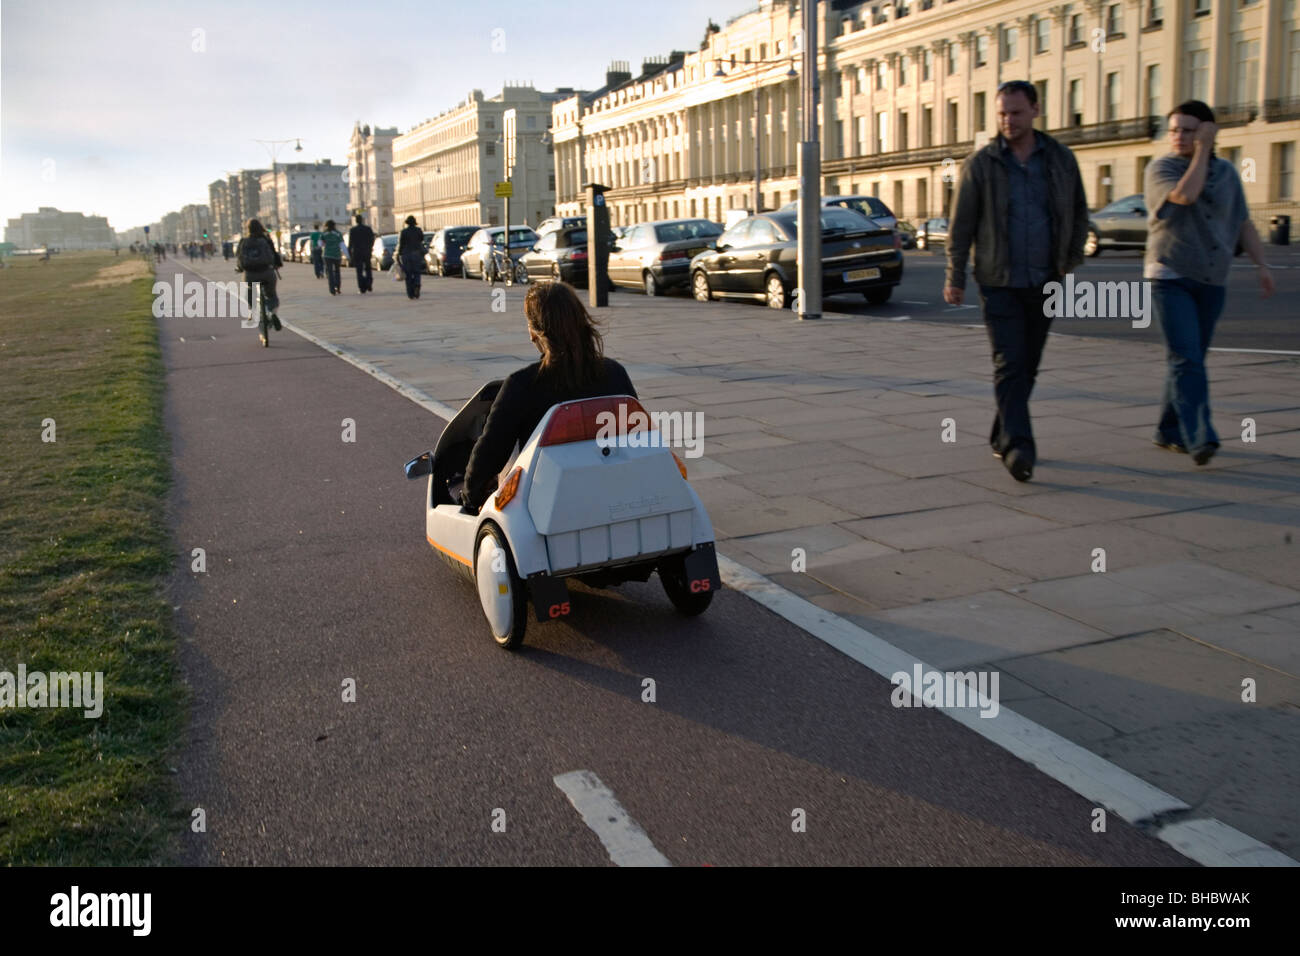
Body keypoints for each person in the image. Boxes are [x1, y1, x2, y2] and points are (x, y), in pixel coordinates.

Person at [944, 79, 1089, 482]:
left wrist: (1070, 261)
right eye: (1002, 113)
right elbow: (961, 227)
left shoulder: (1060, 159)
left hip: (1047, 280)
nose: (1008, 120)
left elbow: (1078, 212)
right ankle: (1019, 447)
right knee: (1009, 362)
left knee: (1029, 365)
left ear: (1035, 111)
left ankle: (1000, 432)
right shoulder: (981, 164)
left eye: (1016, 112)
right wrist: (955, 275)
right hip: (998, 280)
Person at [1145, 101, 1275, 466]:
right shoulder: (1163, 167)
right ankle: (1200, 437)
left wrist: (1262, 265)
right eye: (1174, 129)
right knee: (1186, 358)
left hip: (1211, 279)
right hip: (1169, 276)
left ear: (1207, 131)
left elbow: (1244, 222)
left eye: (1188, 130)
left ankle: (1167, 430)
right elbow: (1185, 196)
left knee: (1191, 359)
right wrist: (1201, 150)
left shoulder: (1228, 174)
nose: (1179, 137)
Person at [460, 282, 637, 511]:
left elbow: (489, 454)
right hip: (616, 492)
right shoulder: (614, 373)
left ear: (535, 332)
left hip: (549, 505)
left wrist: (470, 497)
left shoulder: (522, 385)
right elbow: (639, 437)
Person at [235, 218, 282, 346]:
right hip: (267, 273)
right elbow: (275, 255)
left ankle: (262, 334)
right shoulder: (266, 239)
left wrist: (239, 268)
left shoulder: (243, 241)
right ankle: (271, 312)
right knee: (272, 295)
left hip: (250, 274)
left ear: (247, 229)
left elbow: (239, 258)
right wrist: (277, 265)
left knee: (250, 298)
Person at [397, 215, 425, 299]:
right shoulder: (418, 230)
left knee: (408, 274)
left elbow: (401, 244)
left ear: (407, 223)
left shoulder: (404, 232)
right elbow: (421, 240)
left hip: (406, 254)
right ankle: (417, 285)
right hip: (416, 253)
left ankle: (410, 293)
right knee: (417, 272)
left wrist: (399, 254)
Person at [319, 219, 348, 295]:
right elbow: (342, 245)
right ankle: (338, 287)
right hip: (337, 255)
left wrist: (325, 244)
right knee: (337, 271)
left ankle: (332, 289)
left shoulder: (324, 234)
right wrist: (347, 255)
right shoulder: (338, 234)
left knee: (330, 272)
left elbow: (320, 244)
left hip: (327, 255)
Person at [348, 214, 375, 293]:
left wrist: (350, 254)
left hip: (357, 252)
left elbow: (350, 243)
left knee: (359, 271)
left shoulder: (353, 230)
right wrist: (370, 247)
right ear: (362, 220)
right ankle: (369, 283)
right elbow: (372, 239)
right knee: (368, 269)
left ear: (356, 221)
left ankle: (362, 287)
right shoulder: (368, 229)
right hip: (367, 252)